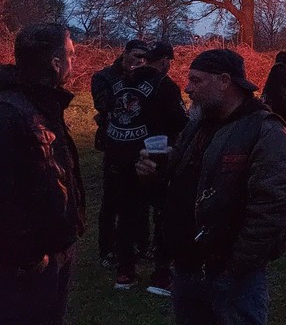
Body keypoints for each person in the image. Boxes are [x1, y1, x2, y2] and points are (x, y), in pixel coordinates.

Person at [137, 48, 286, 325]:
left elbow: (272, 209)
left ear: (224, 81)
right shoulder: (197, 127)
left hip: (231, 277)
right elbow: (177, 189)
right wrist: (152, 175)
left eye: (196, 80)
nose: (188, 88)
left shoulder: (265, 131)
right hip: (187, 268)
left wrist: (235, 267)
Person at [0, 23, 84, 325]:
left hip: (52, 248)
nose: (74, 61)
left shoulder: (43, 104)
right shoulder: (10, 111)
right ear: (55, 63)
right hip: (25, 263)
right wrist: (29, 255)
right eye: (71, 55)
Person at [104, 41, 189, 292]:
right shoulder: (165, 85)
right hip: (153, 158)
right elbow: (180, 122)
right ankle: (161, 275)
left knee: (127, 215)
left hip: (119, 157)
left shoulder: (120, 83)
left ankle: (125, 272)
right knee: (164, 214)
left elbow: (108, 115)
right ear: (164, 61)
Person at [91, 39, 148, 268]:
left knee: (141, 197)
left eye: (144, 58)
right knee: (112, 199)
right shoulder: (104, 76)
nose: (140, 61)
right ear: (125, 54)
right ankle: (107, 249)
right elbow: (103, 104)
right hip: (114, 143)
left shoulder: (144, 77)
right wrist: (128, 81)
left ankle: (141, 245)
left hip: (138, 142)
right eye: (136, 56)